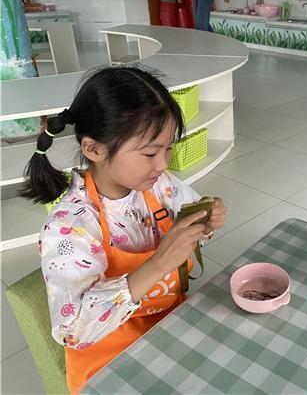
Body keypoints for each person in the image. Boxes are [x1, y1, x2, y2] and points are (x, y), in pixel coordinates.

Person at [22, 67, 227, 393]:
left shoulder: (161, 187)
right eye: (149, 152)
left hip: (169, 327)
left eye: (168, 148)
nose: (163, 164)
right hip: (108, 359)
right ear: (95, 150)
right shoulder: (68, 229)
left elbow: (191, 213)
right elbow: (73, 329)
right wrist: (159, 264)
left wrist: (206, 218)